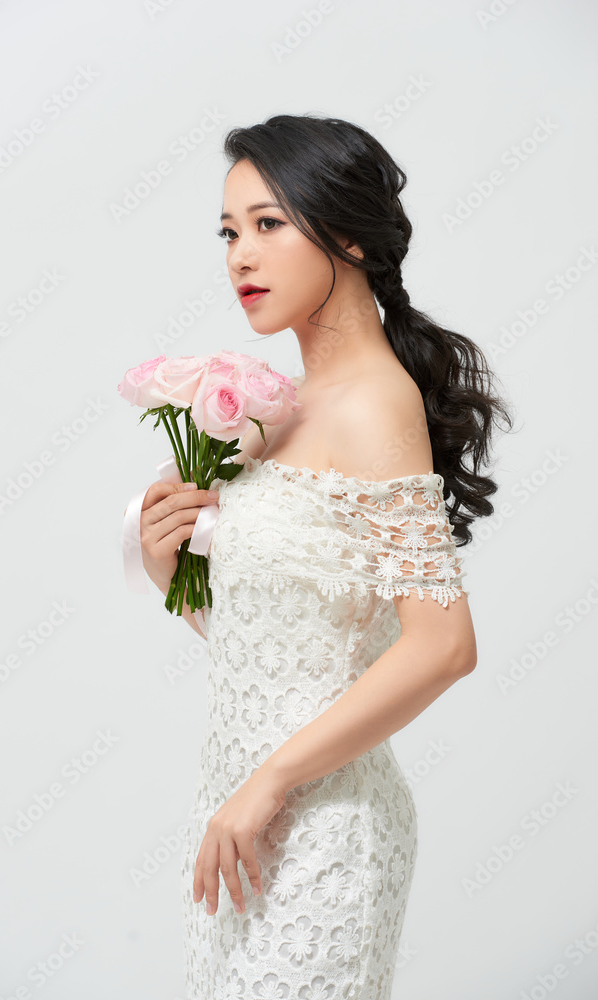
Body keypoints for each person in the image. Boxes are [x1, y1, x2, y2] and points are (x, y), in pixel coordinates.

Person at [138, 114, 514, 999]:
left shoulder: (375, 403)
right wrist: (174, 580)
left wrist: (269, 781)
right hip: (235, 816)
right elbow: (296, 649)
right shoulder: (293, 407)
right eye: (229, 232)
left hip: (319, 825)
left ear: (345, 232)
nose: (239, 255)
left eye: (268, 224)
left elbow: (442, 645)